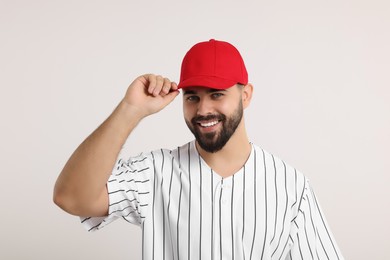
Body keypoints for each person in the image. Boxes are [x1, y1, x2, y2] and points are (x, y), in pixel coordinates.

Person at [53, 39, 344, 260]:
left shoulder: (290, 185)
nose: (203, 110)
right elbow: (71, 197)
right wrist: (130, 110)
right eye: (192, 97)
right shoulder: (154, 172)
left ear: (246, 96)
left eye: (217, 95)